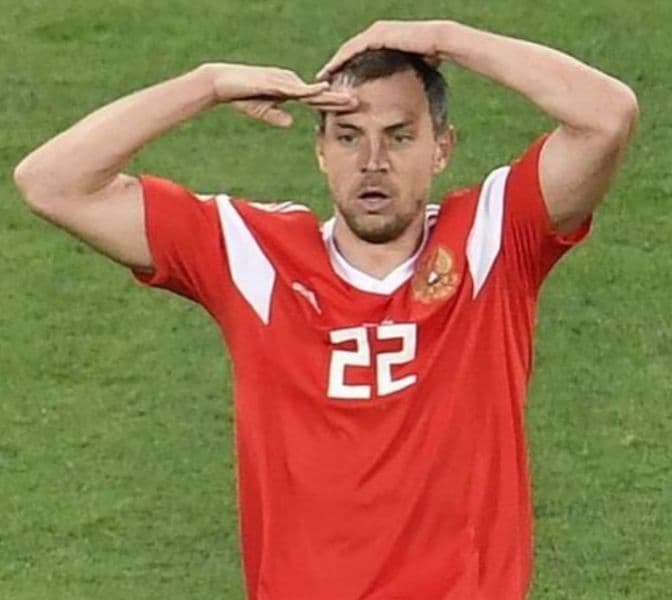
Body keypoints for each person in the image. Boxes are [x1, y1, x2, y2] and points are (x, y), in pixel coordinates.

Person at [14, 18, 637, 600]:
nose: (373, 162)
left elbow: (607, 116)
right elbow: (51, 182)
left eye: (399, 136)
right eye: (348, 137)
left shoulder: (491, 240)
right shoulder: (252, 255)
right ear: (320, 151)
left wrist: (445, 37)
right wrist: (206, 85)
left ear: (441, 148)